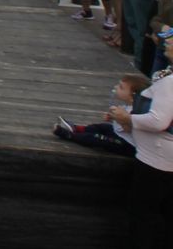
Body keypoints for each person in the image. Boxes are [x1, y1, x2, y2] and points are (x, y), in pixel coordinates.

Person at [108, 27, 173, 248]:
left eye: (171, 40)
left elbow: (159, 120)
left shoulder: (170, 83)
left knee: (143, 214)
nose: (166, 43)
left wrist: (129, 118)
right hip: (163, 158)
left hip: (157, 160)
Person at [54, 71, 150, 157]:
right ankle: (78, 128)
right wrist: (113, 118)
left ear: (133, 97)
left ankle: (70, 135)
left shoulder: (137, 111)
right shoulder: (127, 106)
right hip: (118, 134)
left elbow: (129, 129)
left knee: (98, 139)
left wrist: (120, 119)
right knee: (102, 127)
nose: (116, 87)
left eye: (121, 87)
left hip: (127, 145)